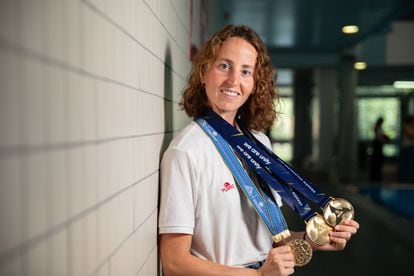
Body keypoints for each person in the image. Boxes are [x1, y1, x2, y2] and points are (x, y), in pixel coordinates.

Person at [158, 25, 359, 276]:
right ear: (203, 72)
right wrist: (259, 275)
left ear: (254, 83)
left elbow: (265, 241)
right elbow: (174, 263)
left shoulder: (259, 143)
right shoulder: (186, 151)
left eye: (245, 71)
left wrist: (314, 240)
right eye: (224, 66)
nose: (234, 81)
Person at [369, 117, 390, 182]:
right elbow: (379, 138)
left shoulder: (379, 128)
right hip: (377, 148)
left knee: (378, 163)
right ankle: (375, 178)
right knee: (376, 163)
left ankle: (377, 177)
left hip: (378, 147)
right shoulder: (377, 128)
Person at [398, 115, 414, 183]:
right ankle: (406, 180)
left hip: (411, 148)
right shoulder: (406, 126)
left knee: (411, 166)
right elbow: (411, 135)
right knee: (407, 166)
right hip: (407, 149)